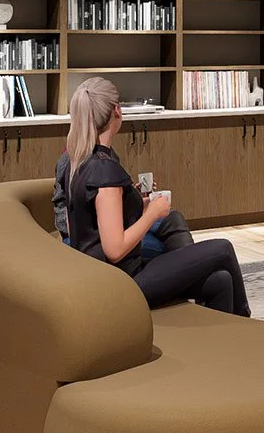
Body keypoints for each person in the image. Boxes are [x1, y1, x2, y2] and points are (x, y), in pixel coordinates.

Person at [61, 77, 250, 316]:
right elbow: (115, 249)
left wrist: (139, 203)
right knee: (222, 248)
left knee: (220, 280)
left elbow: (85, 225)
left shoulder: (78, 163)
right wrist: (152, 214)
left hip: (105, 276)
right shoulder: (103, 169)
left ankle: (222, 343)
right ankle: (248, 318)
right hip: (123, 281)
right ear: (116, 111)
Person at [53, 150, 194, 258]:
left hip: (121, 222)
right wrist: (149, 213)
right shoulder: (76, 160)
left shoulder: (107, 153)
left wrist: (134, 197)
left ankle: (189, 267)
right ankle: (189, 269)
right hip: (98, 239)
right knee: (165, 247)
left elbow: (111, 201)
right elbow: (69, 213)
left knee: (173, 217)